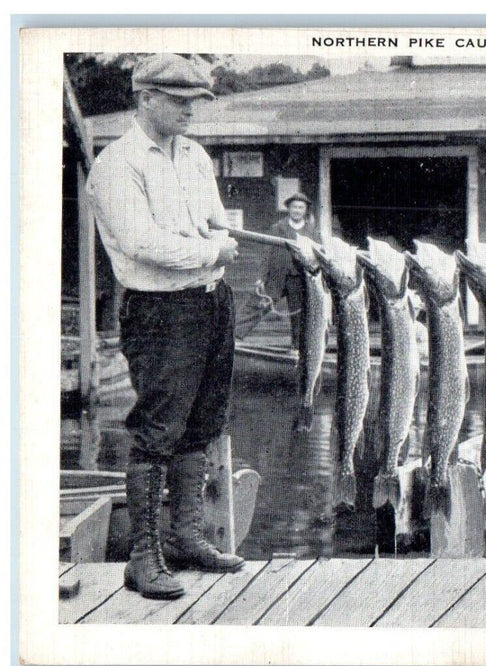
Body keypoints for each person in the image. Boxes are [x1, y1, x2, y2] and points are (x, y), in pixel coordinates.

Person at [87, 54, 245, 600]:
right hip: (159, 312)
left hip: (211, 302)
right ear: (146, 98)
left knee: (202, 423)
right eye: (180, 102)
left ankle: (186, 538)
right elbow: (141, 244)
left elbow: (212, 218)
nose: (191, 113)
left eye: (196, 102)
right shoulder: (116, 164)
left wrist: (215, 236)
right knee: (158, 432)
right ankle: (142, 557)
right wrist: (211, 248)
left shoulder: (195, 156)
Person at [237, 192, 321, 346]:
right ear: (288, 209)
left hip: (300, 278)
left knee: (300, 314)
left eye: (300, 207)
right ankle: (236, 336)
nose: (297, 210)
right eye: (294, 207)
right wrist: (261, 276)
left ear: (305, 210)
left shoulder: (312, 232)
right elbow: (266, 253)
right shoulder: (277, 228)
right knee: (258, 303)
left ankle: (298, 347)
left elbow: (317, 257)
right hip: (276, 275)